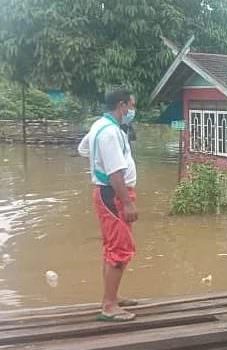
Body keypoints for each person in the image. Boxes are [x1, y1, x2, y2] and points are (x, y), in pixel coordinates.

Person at [77, 89, 138, 321]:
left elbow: (83, 149)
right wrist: (127, 203)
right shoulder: (110, 133)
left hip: (110, 192)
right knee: (120, 249)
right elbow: (114, 173)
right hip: (113, 193)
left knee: (113, 247)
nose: (132, 110)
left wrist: (98, 163)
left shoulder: (99, 126)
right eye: (131, 105)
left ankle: (112, 296)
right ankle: (109, 306)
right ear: (122, 105)